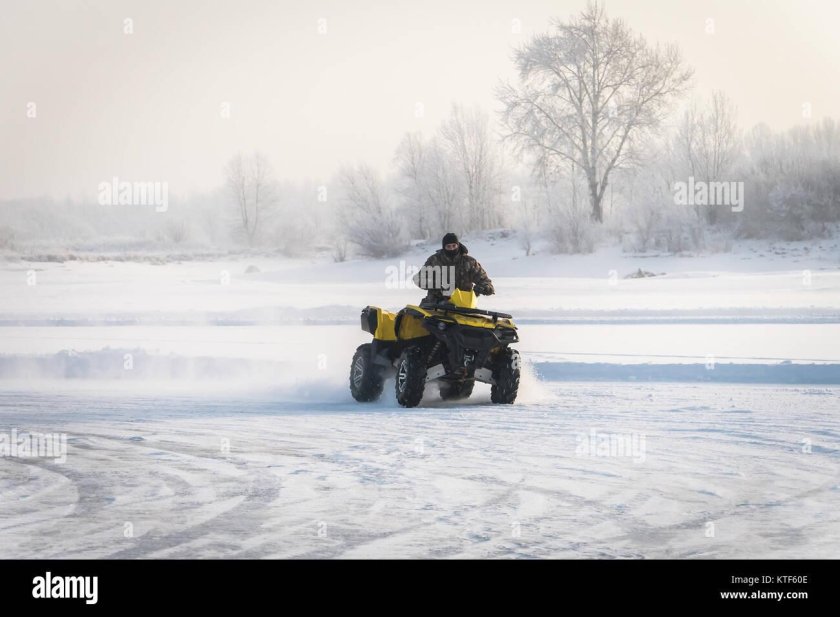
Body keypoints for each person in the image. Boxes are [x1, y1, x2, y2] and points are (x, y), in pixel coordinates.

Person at [413, 232, 494, 305]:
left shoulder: (469, 262)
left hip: (463, 305)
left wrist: (485, 287)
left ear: (458, 245)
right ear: (444, 247)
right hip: (437, 303)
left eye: (454, 246)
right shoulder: (434, 261)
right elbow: (418, 279)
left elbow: (485, 280)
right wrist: (437, 284)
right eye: (448, 246)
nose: (451, 249)